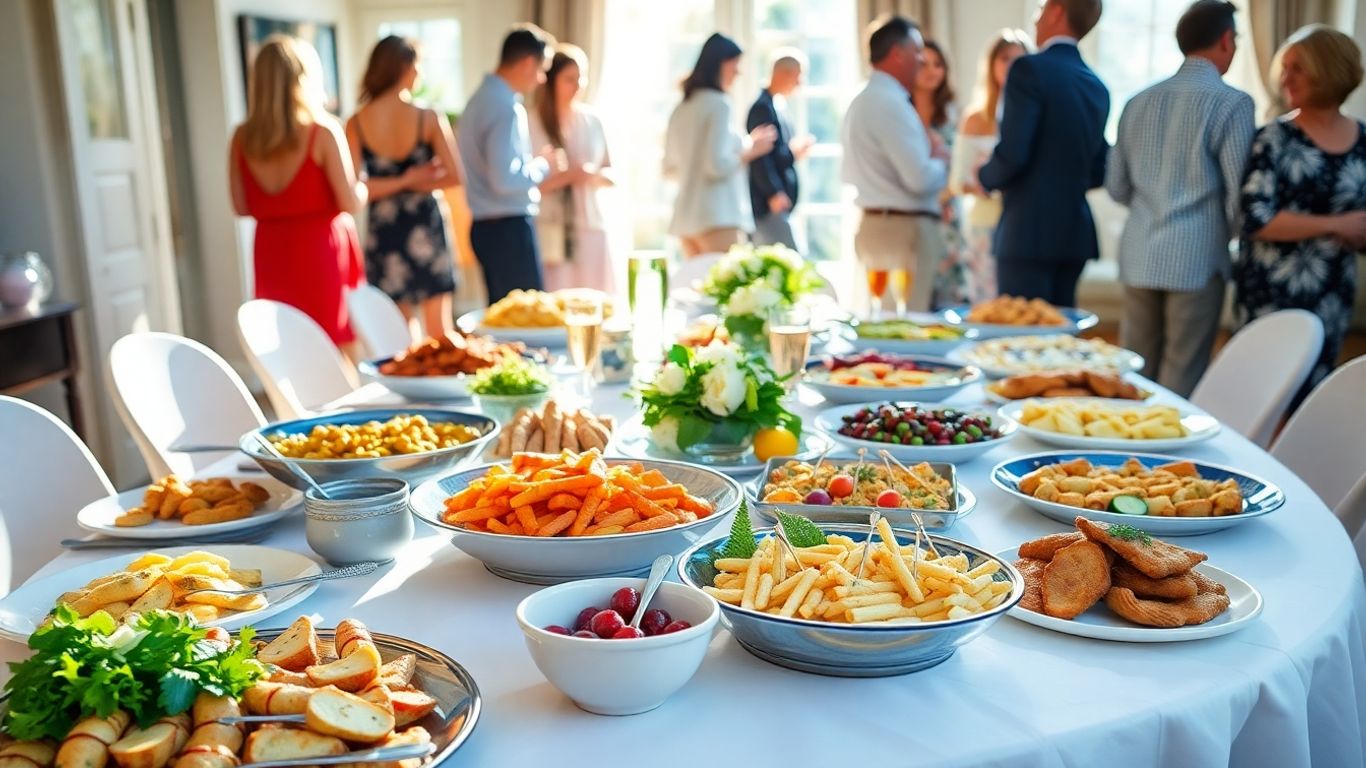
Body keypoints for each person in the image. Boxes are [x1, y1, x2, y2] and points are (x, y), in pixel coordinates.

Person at [1105, 1, 1254, 397]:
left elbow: (1117, 186)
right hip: (1197, 255)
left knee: (1134, 374)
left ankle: (1121, 452)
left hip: (1139, 251)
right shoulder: (1232, 103)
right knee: (1182, 376)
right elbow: (1239, 193)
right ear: (1226, 40)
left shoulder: (1138, 101)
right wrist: (1230, 236)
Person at [1235, 24, 1366, 401]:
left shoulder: (1364, 140)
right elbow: (1255, 218)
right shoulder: (1273, 139)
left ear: (1329, 71)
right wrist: (1336, 224)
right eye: (1285, 67)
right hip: (1271, 291)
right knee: (1260, 396)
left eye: (1298, 68)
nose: (1285, 78)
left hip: (1332, 293)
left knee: (1313, 400)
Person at [229, 35, 366, 355]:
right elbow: (349, 201)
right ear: (304, 77)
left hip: (271, 250)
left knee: (286, 349)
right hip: (320, 250)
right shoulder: (322, 131)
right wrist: (363, 185)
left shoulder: (241, 138)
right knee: (334, 348)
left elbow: (241, 205)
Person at [978, 0, 1109, 307]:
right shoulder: (1096, 86)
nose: (1036, 20)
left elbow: (1013, 155)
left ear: (1057, 11)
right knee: (1059, 340)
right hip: (1074, 234)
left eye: (1039, 10)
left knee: (1020, 336)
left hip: (1027, 233)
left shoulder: (1028, 69)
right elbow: (1100, 169)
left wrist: (984, 176)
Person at [347, 35, 463, 338]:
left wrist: (396, 183)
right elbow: (456, 176)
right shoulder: (428, 117)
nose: (420, 74)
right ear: (405, 67)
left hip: (385, 228)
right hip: (426, 222)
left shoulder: (357, 122)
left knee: (399, 332)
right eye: (418, 66)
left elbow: (356, 189)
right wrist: (414, 180)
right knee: (440, 330)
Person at [841, 14, 949, 313]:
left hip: (875, 224)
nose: (920, 61)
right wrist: (940, 161)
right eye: (917, 53)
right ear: (897, 54)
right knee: (908, 326)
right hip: (902, 231)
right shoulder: (889, 103)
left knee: (886, 322)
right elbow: (920, 179)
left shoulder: (861, 100)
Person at [458, 24, 557, 304]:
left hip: (488, 228)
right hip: (508, 230)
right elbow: (504, 180)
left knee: (505, 320)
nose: (540, 80)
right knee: (526, 321)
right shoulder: (504, 107)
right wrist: (543, 165)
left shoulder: (478, 101)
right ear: (527, 63)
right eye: (542, 70)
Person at [663, 33, 777, 257]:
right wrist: (750, 151)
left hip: (686, 219)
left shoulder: (682, 107)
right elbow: (716, 165)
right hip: (718, 218)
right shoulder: (720, 105)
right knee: (728, 290)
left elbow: (670, 169)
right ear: (721, 63)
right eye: (735, 63)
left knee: (695, 290)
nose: (738, 71)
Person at [950, 29, 1031, 303]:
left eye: (1019, 60)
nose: (1011, 66)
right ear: (992, 64)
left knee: (1017, 306)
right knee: (987, 303)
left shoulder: (1032, 118)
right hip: (985, 226)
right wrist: (990, 182)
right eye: (1005, 58)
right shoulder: (975, 119)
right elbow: (957, 182)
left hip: (1022, 225)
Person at [529, 44, 616, 292]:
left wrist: (591, 176)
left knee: (596, 298)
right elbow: (525, 185)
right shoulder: (531, 123)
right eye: (569, 79)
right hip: (551, 231)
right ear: (551, 80)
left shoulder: (592, 121)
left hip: (591, 226)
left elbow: (611, 174)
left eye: (581, 78)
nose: (577, 86)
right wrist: (565, 177)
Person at [913, 40, 968, 308]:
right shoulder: (901, 112)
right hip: (914, 209)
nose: (932, 71)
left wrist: (945, 198)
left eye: (938, 64)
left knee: (947, 284)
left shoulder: (951, 114)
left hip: (947, 210)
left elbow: (960, 165)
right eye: (924, 63)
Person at [746, 49, 813, 250]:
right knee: (786, 259)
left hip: (779, 203)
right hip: (769, 205)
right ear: (783, 73)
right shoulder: (762, 108)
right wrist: (773, 192)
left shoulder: (778, 105)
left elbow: (777, 153)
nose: (799, 83)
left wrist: (793, 153)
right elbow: (760, 157)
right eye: (797, 76)